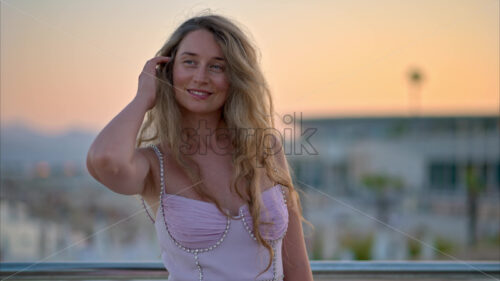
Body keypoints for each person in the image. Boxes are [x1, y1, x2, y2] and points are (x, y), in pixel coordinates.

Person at [86, 14, 313, 281]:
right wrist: (143, 97)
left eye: (217, 67)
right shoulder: (155, 163)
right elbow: (104, 160)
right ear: (168, 71)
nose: (201, 77)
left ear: (236, 77)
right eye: (189, 62)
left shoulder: (266, 147)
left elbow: (297, 265)